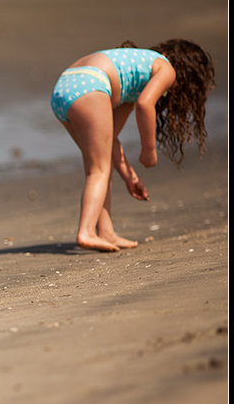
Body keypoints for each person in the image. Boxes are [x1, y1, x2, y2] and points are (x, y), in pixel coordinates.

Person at [50, 39, 215, 252]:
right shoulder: (167, 69)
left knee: (100, 166)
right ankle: (86, 232)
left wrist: (130, 177)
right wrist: (148, 151)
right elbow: (146, 105)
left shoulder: (131, 82)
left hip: (64, 88)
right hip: (89, 85)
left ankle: (106, 232)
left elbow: (110, 142)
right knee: (98, 170)